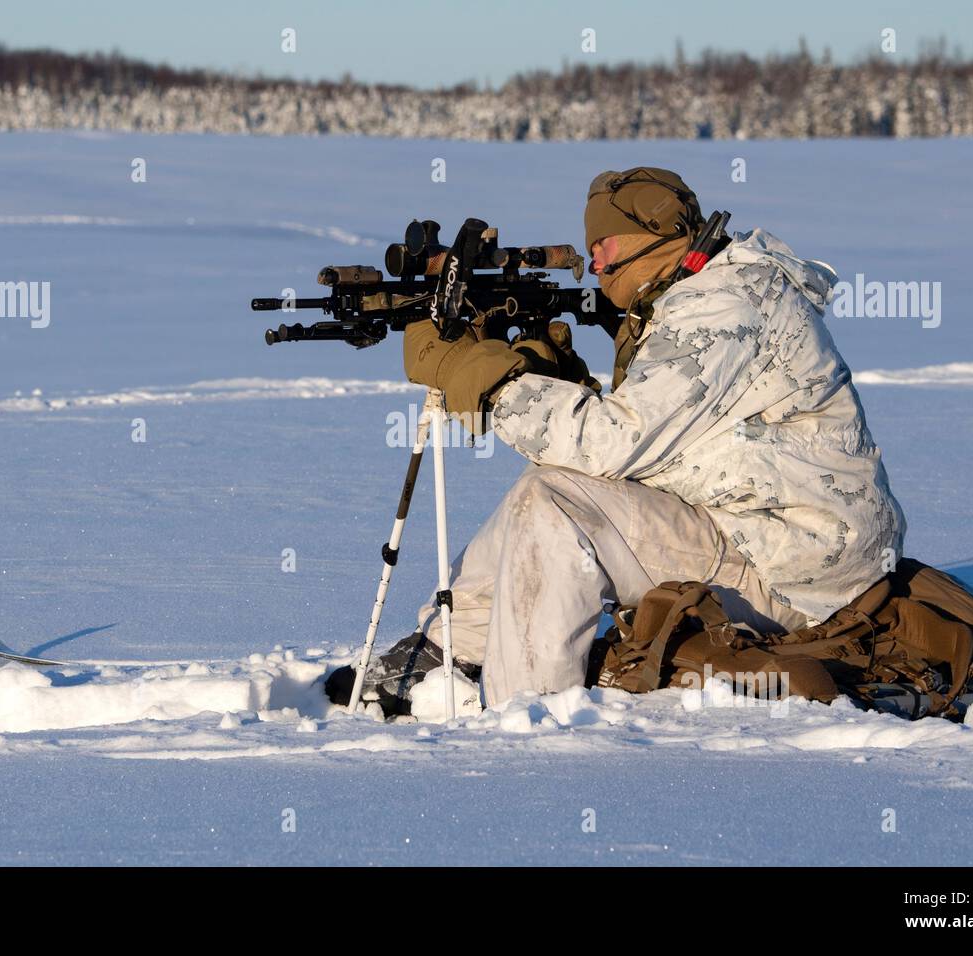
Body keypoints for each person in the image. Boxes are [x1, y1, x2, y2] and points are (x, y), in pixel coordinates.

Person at [331, 166, 905, 715]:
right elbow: (655, 442)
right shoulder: (699, 293)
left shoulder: (725, 307)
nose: (595, 258)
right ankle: (448, 651)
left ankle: (526, 711)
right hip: (763, 535)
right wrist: (546, 375)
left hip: (796, 575)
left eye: (605, 241)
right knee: (553, 486)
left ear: (653, 236)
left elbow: (616, 440)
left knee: (556, 503)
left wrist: (485, 380)